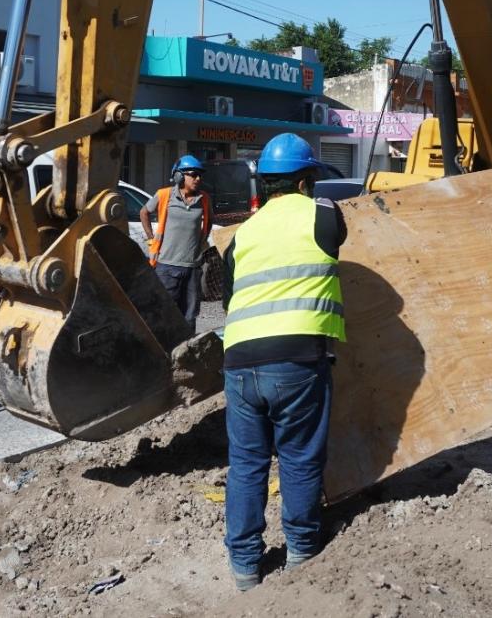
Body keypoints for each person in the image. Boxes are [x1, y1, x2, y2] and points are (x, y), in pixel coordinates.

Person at [221, 133, 347, 592]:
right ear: (305, 180)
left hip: (238, 363)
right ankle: (300, 551)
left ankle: (244, 566)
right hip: (295, 362)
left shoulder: (242, 234)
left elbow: (232, 288)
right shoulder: (324, 215)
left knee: (247, 464)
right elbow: (337, 243)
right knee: (297, 457)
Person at [140, 155, 213, 336]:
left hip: (192, 267)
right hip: (166, 266)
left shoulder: (204, 199)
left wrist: (202, 239)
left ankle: (186, 353)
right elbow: (144, 212)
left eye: (200, 175)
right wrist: (151, 238)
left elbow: (210, 220)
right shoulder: (164, 195)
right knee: (164, 312)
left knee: (190, 316)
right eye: (193, 175)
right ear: (179, 176)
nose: (198, 179)